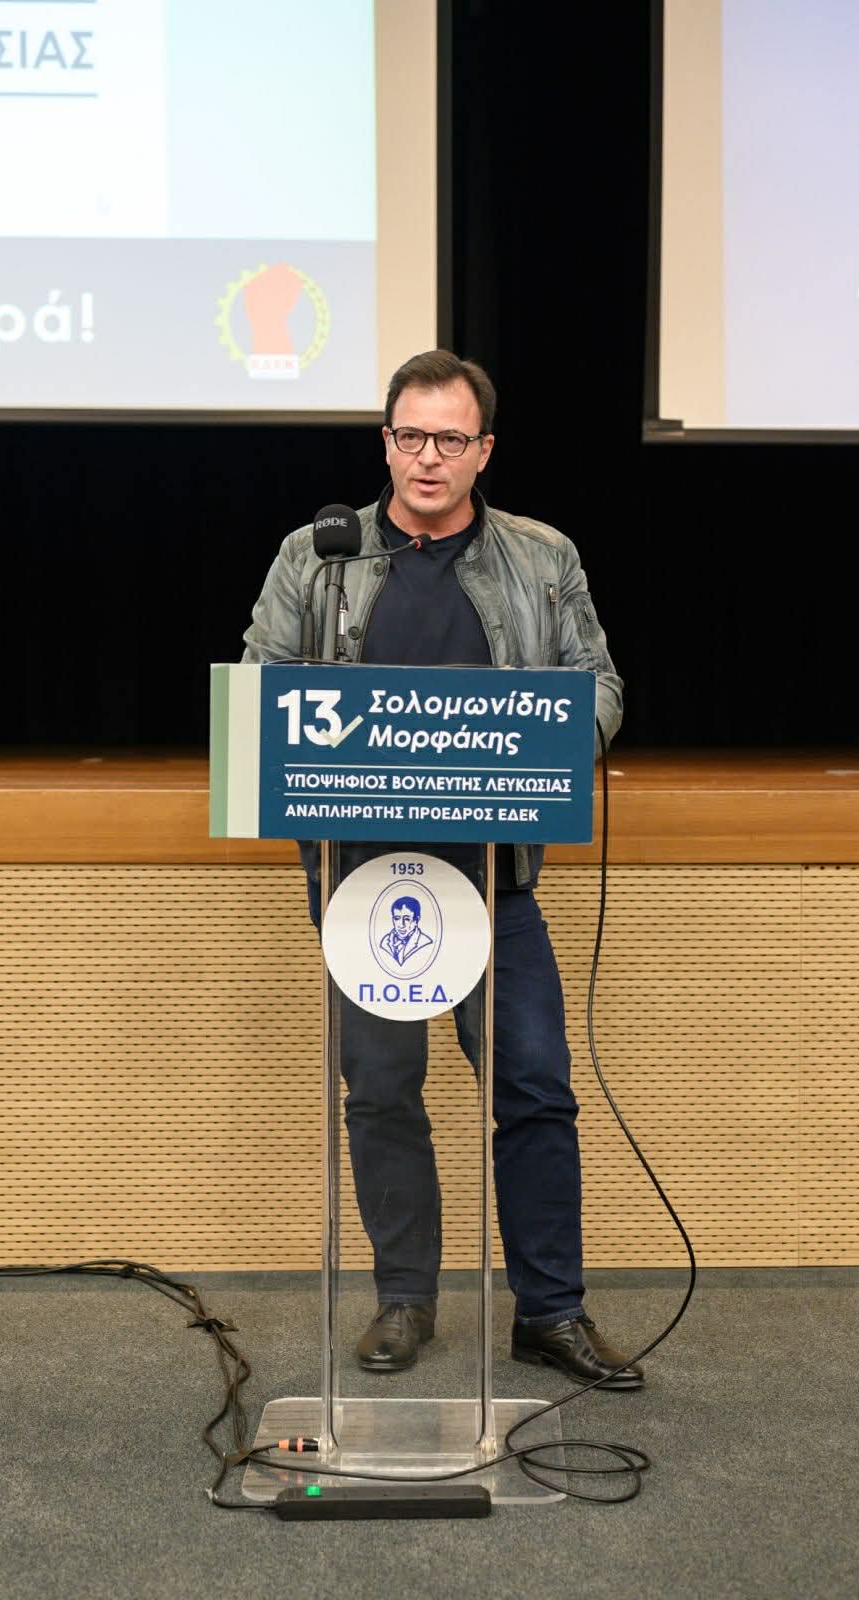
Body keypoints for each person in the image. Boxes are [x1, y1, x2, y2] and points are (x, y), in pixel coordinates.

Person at [242, 350, 642, 1390]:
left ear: (483, 451)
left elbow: (598, 686)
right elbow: (259, 690)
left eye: (450, 438)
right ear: (386, 443)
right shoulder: (316, 558)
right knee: (380, 1090)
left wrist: (544, 743)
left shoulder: (541, 557)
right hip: (363, 878)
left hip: (494, 878)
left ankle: (549, 1312)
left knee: (534, 1086)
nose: (428, 456)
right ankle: (403, 1300)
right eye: (411, 436)